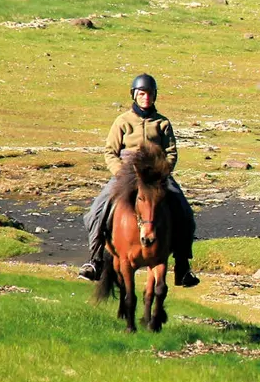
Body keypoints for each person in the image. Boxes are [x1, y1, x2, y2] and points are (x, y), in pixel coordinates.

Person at [79, 73, 198, 286]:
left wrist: (162, 172)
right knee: (96, 210)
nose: (146, 97)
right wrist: (119, 173)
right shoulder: (122, 121)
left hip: (156, 175)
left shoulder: (162, 123)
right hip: (127, 173)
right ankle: (95, 260)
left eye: (150, 94)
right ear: (134, 95)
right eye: (142, 93)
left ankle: (182, 267)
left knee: (184, 211)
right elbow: (110, 152)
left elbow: (171, 153)